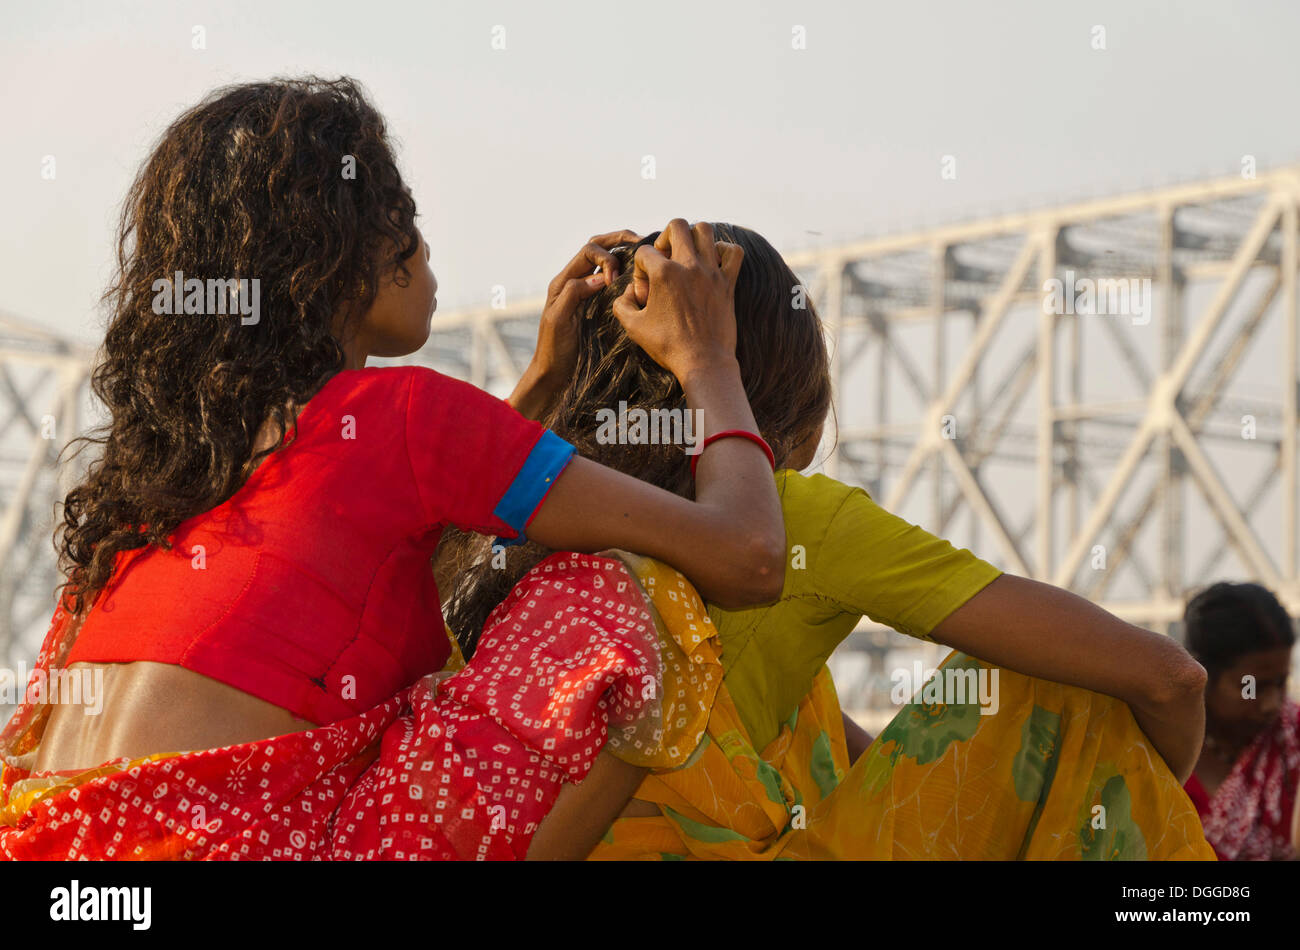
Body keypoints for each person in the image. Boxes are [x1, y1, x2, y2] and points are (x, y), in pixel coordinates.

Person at [0, 77, 788, 860]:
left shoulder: (170, 470)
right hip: (236, 850)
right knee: (617, 602)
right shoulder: (405, 415)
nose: (425, 244)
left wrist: (545, 378)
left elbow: (393, 560)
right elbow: (748, 556)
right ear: (339, 256)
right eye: (401, 217)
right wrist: (708, 357)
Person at [444, 225, 1217, 859]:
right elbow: (1170, 679)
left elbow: (428, 573)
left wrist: (541, 385)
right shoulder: (792, 521)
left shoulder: (539, 509)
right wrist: (1118, 792)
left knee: (800, 693)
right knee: (1064, 689)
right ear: (801, 418)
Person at [1183, 581, 1300, 860]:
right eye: (1253, 687)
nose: (1272, 704)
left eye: (1280, 683)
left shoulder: (1294, 741)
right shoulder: (1155, 752)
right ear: (1201, 675)